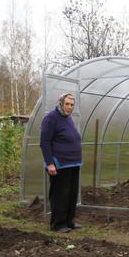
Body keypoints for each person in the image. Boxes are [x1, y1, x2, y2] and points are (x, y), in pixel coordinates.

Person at [40, 92, 82, 233]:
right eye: (67, 104)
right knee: (60, 194)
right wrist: (50, 163)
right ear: (60, 103)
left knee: (71, 194)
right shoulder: (51, 118)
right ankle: (57, 224)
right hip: (59, 164)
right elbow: (44, 142)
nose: (69, 107)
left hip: (73, 163)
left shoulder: (68, 119)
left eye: (72, 105)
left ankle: (69, 222)